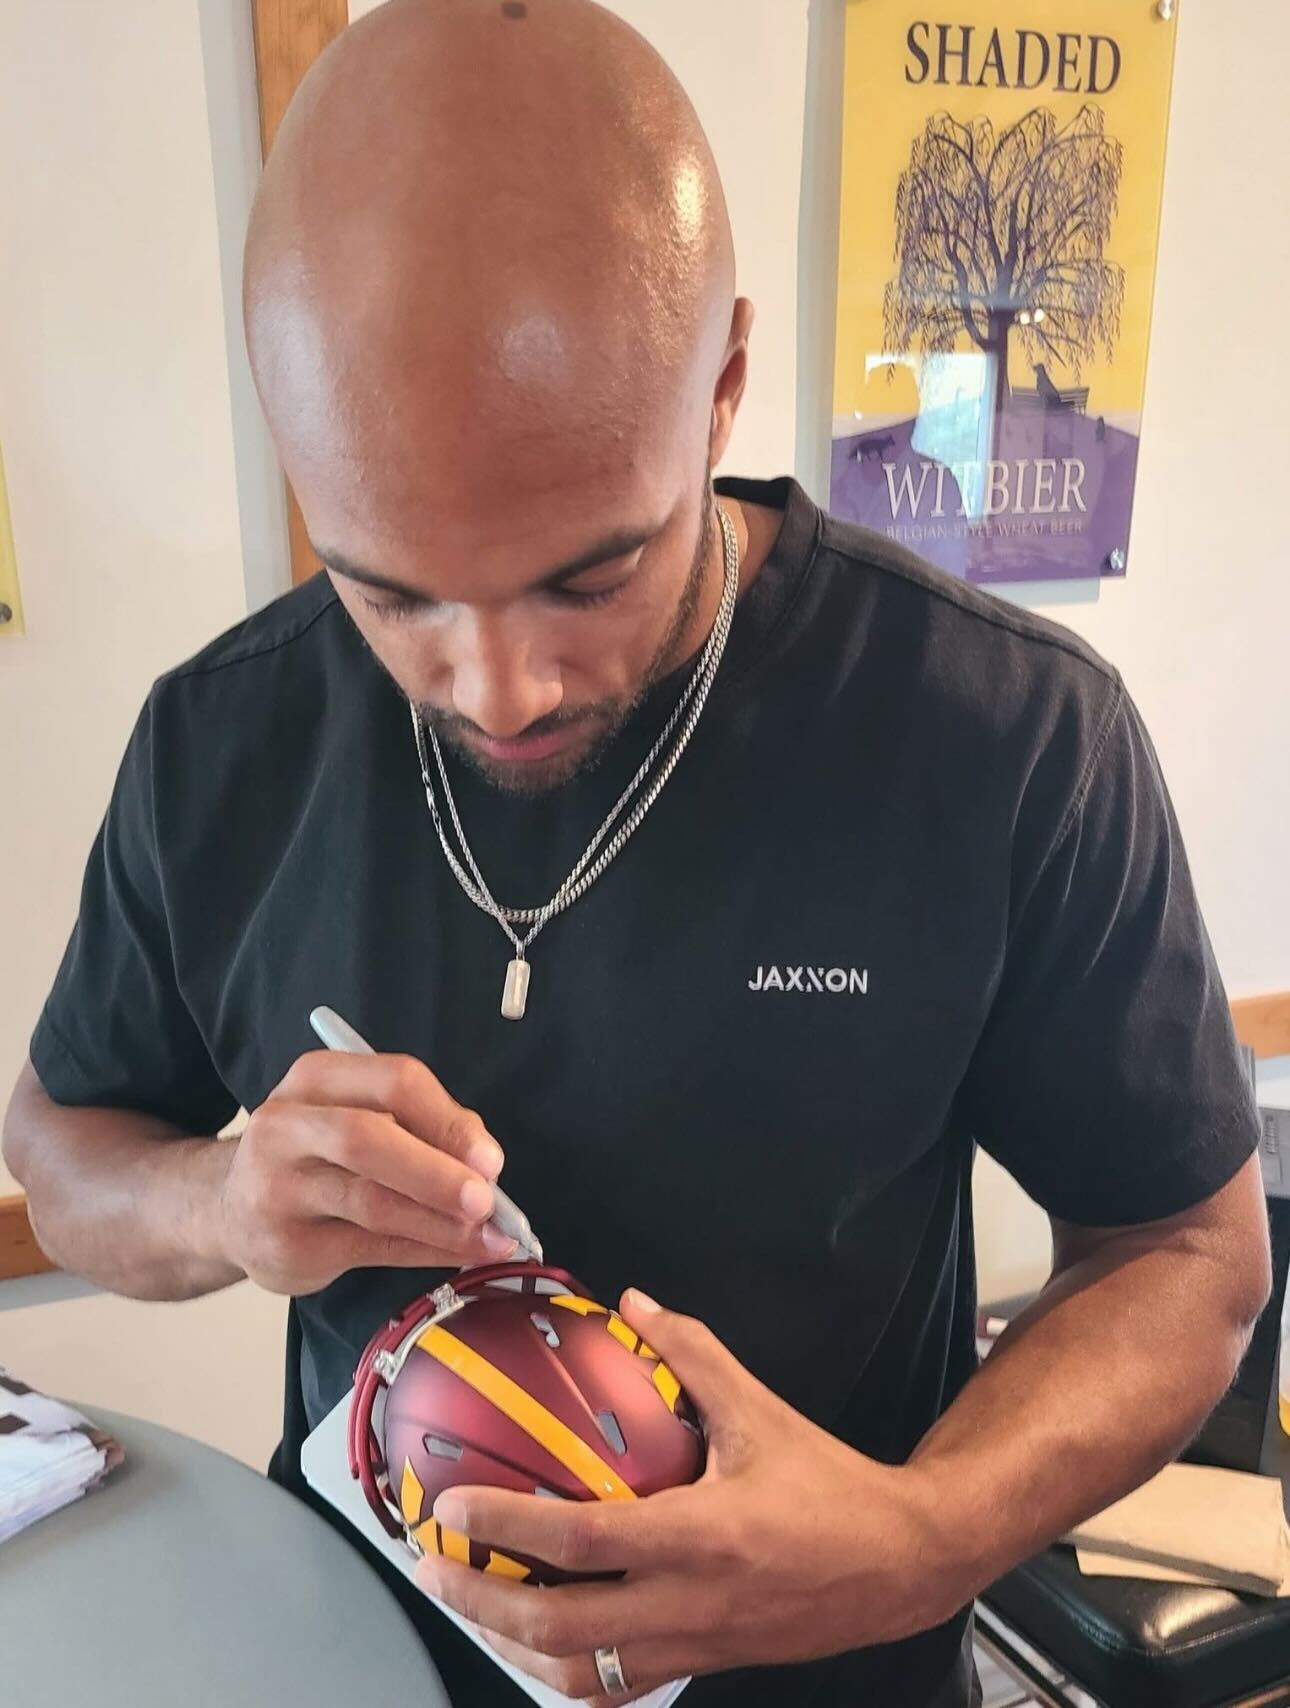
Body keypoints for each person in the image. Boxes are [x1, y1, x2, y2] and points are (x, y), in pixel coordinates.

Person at [3, 2, 1271, 1705]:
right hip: (357, 1661)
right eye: (390, 593)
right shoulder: (216, 744)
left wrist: (924, 1534)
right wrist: (220, 1198)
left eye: (587, 576)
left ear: (726, 380)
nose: (497, 688)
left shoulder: (1000, 735)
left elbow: (1185, 1257)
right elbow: (65, 1148)